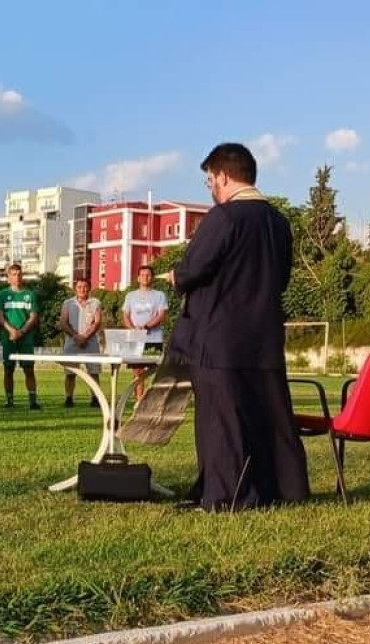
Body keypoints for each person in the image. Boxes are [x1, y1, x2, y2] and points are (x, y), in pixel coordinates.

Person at [167, 142, 309, 512]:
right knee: (267, 417)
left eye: (209, 181)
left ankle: (227, 495)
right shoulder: (279, 223)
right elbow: (281, 279)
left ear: (223, 176)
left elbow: (194, 269)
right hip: (264, 337)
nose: (211, 189)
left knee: (222, 422)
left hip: (220, 339)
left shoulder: (224, 218)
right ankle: (281, 489)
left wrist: (175, 276)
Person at [0, 263, 41, 409]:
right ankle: (9, 401)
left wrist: (21, 332)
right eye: (14, 275)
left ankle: (33, 401)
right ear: (8, 277)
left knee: (29, 369)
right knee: (8, 369)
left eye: (19, 274)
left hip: (26, 337)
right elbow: (0, 316)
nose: (17, 277)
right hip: (8, 337)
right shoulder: (2, 294)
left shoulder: (30, 295)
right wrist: (11, 331)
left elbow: (33, 317)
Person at [122, 264, 170, 401]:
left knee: (153, 370)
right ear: (138, 278)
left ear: (152, 277)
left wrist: (147, 326)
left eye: (148, 275)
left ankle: (153, 398)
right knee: (137, 369)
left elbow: (161, 315)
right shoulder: (130, 296)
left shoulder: (159, 295)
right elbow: (125, 315)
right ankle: (139, 399)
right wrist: (132, 329)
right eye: (142, 275)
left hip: (153, 338)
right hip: (136, 338)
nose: (145, 277)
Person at [59, 278, 103, 408]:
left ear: (89, 288)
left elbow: (97, 322)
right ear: (75, 289)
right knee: (70, 372)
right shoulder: (68, 303)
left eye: (85, 287)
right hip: (72, 341)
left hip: (91, 341)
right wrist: (76, 336)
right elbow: (63, 322)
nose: (82, 289)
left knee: (94, 372)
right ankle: (69, 398)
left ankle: (95, 398)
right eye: (79, 287)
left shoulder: (95, 302)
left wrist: (85, 336)